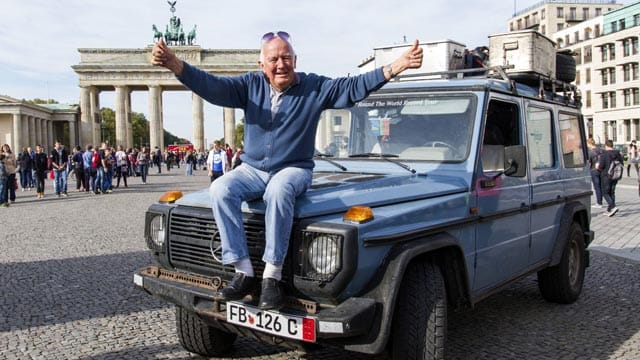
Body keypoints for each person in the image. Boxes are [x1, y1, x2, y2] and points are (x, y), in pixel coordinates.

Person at [151, 31, 423, 310]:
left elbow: (353, 86)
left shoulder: (314, 87)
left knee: (278, 190)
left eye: (286, 58)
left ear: (295, 60)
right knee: (220, 188)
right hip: (252, 169)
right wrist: (175, 63)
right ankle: (243, 269)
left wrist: (396, 66)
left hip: (294, 168)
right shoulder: (249, 85)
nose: (280, 64)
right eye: (273, 59)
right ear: (262, 65)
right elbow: (213, 87)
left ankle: (272, 275)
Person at [597, 139, 624, 216]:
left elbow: (601, 166)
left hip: (606, 176)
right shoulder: (618, 154)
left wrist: (597, 167)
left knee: (605, 192)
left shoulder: (604, 154)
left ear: (606, 146)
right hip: (615, 175)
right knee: (612, 192)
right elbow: (621, 163)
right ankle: (610, 210)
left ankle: (613, 206)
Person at [587, 137, 603, 208]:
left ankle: (599, 203)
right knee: (600, 186)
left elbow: (589, 163)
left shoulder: (590, 152)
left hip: (594, 170)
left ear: (589, 144)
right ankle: (600, 201)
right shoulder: (600, 150)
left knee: (596, 187)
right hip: (601, 169)